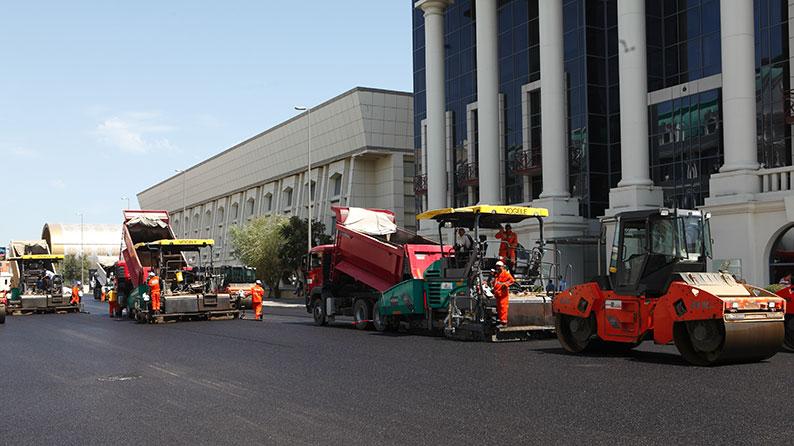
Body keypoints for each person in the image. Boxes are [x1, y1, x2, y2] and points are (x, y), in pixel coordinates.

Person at [492, 261, 514, 327]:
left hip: (503, 294)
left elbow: (512, 280)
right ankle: (500, 320)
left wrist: (506, 284)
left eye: (499, 266)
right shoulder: (498, 274)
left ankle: (504, 322)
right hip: (498, 294)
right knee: (499, 308)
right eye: (497, 266)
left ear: (502, 267)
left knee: (503, 308)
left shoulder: (506, 273)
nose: (498, 267)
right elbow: (496, 282)